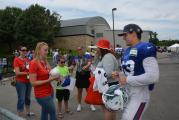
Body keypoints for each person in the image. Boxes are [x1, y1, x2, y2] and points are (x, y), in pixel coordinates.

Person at [113, 24, 159, 120]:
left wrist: (127, 79)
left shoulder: (146, 48)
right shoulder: (127, 51)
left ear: (133, 33)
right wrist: (120, 74)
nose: (124, 38)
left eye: (125, 35)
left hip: (139, 94)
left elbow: (153, 76)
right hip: (127, 92)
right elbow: (129, 71)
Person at [29, 42, 58, 120]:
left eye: (47, 50)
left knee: (45, 112)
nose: (47, 52)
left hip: (49, 91)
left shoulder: (45, 61)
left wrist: (57, 76)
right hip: (42, 94)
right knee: (53, 113)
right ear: (39, 50)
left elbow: (51, 72)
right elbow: (33, 83)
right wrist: (49, 80)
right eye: (45, 50)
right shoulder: (33, 63)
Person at [95, 39, 119, 120]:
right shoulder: (105, 56)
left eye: (98, 47)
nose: (96, 49)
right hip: (108, 85)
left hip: (108, 86)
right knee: (111, 109)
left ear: (101, 48)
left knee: (108, 109)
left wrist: (96, 73)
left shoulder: (107, 57)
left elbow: (108, 73)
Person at [13, 46, 34, 118]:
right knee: (21, 98)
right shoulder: (16, 60)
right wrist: (27, 73)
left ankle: (28, 112)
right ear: (19, 51)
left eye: (26, 50)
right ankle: (20, 115)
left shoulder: (28, 59)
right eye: (23, 50)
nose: (25, 51)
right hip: (20, 82)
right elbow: (17, 73)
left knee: (27, 98)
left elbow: (31, 68)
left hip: (28, 81)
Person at [74, 46, 96, 112]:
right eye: (78, 50)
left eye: (80, 49)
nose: (79, 51)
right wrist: (67, 69)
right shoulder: (75, 57)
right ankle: (79, 105)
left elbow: (89, 63)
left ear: (83, 50)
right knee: (79, 91)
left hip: (86, 74)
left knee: (88, 90)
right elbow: (73, 65)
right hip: (79, 75)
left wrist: (87, 66)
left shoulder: (87, 56)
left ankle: (91, 104)